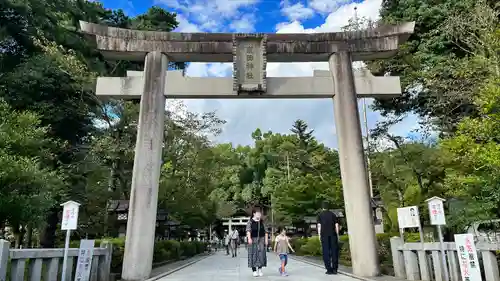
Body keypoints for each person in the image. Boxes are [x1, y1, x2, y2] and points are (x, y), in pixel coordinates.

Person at [317, 201, 340, 275]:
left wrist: (319, 235)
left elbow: (319, 226)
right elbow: (336, 225)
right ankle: (335, 269)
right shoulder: (333, 215)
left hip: (324, 235)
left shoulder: (320, 215)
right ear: (328, 207)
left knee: (326, 252)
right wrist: (337, 234)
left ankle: (329, 269)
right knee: (334, 252)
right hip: (333, 235)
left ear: (322, 207)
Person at [246, 207, 269, 277]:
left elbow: (266, 232)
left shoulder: (262, 222)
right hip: (253, 240)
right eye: (258, 213)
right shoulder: (250, 222)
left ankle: (260, 269)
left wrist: (266, 240)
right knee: (253, 254)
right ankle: (254, 270)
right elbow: (248, 231)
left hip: (261, 240)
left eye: (260, 213)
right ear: (254, 214)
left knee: (261, 254)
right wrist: (249, 238)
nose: (259, 214)